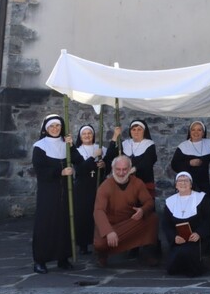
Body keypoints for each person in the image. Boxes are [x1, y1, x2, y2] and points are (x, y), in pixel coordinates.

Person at [32, 115, 79, 273]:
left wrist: (71, 146)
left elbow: (79, 160)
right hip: (48, 192)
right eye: (51, 126)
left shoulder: (65, 144)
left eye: (58, 126)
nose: (55, 129)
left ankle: (63, 258)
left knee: (65, 224)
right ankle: (40, 260)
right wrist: (60, 172)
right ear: (46, 128)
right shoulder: (40, 146)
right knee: (45, 224)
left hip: (66, 191)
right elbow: (40, 171)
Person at [93, 155, 160, 267]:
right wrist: (108, 231)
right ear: (113, 169)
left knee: (152, 218)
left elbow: (149, 201)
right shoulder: (105, 186)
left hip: (130, 224)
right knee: (100, 245)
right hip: (112, 226)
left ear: (130, 169)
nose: (121, 173)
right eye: (118, 169)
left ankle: (148, 253)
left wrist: (142, 210)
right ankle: (102, 255)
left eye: (124, 169)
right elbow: (98, 211)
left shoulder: (137, 183)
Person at [70, 123, 112, 256]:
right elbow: (81, 169)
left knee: (99, 214)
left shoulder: (101, 148)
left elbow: (107, 168)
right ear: (80, 136)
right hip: (82, 188)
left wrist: (104, 165)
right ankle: (83, 244)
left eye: (89, 133)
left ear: (93, 135)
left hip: (98, 185)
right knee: (83, 216)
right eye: (84, 134)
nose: (87, 136)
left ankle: (100, 241)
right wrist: (93, 156)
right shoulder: (77, 151)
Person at [161, 171, 210, 277]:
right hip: (178, 241)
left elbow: (209, 219)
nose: (183, 183)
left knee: (187, 253)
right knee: (172, 267)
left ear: (191, 184)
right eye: (180, 181)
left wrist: (199, 233)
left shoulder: (201, 199)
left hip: (196, 241)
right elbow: (166, 224)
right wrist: (174, 237)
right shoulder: (170, 201)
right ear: (176, 185)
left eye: (186, 181)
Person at [170, 121, 210, 202]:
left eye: (199, 130)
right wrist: (189, 163)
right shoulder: (183, 146)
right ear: (189, 132)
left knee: (203, 205)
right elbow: (174, 165)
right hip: (186, 185)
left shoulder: (209, 144)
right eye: (193, 130)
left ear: (203, 132)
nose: (196, 132)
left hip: (204, 184)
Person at [113, 119, 159, 198]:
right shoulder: (125, 144)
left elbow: (147, 162)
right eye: (133, 129)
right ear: (130, 131)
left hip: (144, 182)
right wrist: (115, 136)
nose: (136, 132)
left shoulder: (149, 144)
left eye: (139, 129)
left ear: (144, 131)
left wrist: (134, 169)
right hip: (126, 183)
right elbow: (111, 155)